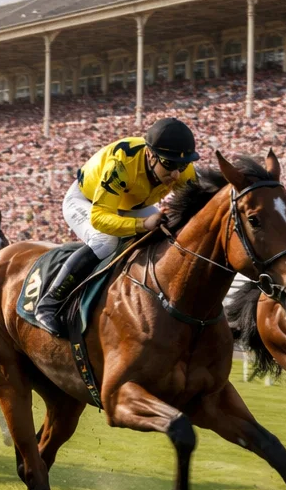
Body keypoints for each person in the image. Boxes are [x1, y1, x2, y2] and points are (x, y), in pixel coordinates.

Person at [34, 117, 198, 336]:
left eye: (182, 165)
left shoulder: (180, 169)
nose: (176, 175)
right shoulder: (121, 165)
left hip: (131, 205)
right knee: (105, 242)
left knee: (167, 234)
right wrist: (141, 224)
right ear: (150, 155)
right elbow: (100, 218)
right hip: (87, 202)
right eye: (168, 165)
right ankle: (49, 303)